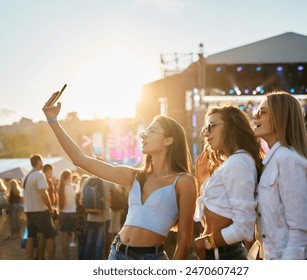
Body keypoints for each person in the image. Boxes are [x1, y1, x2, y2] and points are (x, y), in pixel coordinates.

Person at [42, 102, 196, 260]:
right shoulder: (134, 176)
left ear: (168, 141)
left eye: (152, 131)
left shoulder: (184, 181)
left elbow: (184, 239)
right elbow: (79, 159)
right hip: (117, 253)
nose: (143, 135)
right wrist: (53, 121)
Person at [252, 91, 307, 260]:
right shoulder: (277, 159)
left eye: (263, 112)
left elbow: (300, 230)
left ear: (280, 117)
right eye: (256, 112)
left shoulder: (286, 159)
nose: (255, 117)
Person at [193, 106, 264, 260]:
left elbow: (244, 227)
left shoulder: (239, 162)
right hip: (219, 252)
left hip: (224, 254)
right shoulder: (234, 162)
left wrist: (206, 242)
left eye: (211, 126)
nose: (205, 133)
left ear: (232, 128)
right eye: (205, 128)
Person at [23, 154, 55, 260]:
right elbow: (43, 194)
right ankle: (51, 261)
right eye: (42, 161)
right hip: (40, 210)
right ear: (38, 162)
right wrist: (50, 209)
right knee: (50, 236)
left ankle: (29, 259)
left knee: (31, 236)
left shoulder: (26, 176)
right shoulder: (39, 175)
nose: (43, 163)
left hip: (29, 210)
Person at [57, 169, 77, 259]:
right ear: (70, 177)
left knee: (63, 236)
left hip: (63, 213)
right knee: (75, 235)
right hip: (73, 213)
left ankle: (66, 256)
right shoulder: (74, 187)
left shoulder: (60, 188)